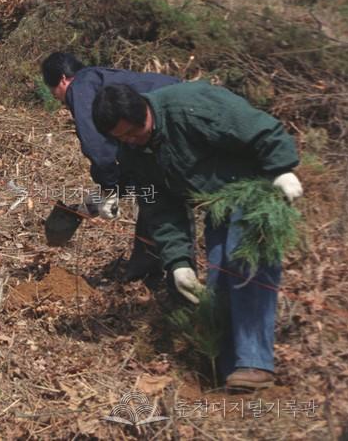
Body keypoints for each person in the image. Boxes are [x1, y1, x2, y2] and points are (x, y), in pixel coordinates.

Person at [92, 81, 303, 391]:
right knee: (218, 281)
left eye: (134, 132)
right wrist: (178, 263)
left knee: (244, 264)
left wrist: (281, 168)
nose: (131, 141)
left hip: (257, 188)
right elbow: (163, 209)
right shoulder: (134, 152)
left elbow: (260, 127)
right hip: (217, 204)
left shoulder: (192, 106)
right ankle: (230, 372)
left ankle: (256, 364)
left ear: (144, 110)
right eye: (121, 138)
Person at [40, 52, 181, 283]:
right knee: (153, 193)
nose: (57, 99)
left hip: (173, 118)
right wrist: (112, 189)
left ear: (63, 79)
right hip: (172, 113)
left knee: (158, 197)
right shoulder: (98, 79)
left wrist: (110, 187)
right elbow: (122, 153)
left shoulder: (80, 88)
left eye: (53, 90)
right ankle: (147, 272)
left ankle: (155, 274)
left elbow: (96, 143)